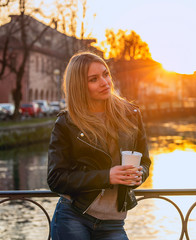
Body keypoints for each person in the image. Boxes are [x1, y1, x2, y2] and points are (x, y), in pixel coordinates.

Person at [47, 51, 151, 240]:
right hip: (74, 217)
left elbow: (144, 162)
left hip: (114, 222)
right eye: (94, 79)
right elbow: (56, 179)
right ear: (79, 86)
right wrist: (107, 176)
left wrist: (139, 175)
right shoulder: (67, 123)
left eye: (106, 74)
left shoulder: (131, 114)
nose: (105, 82)